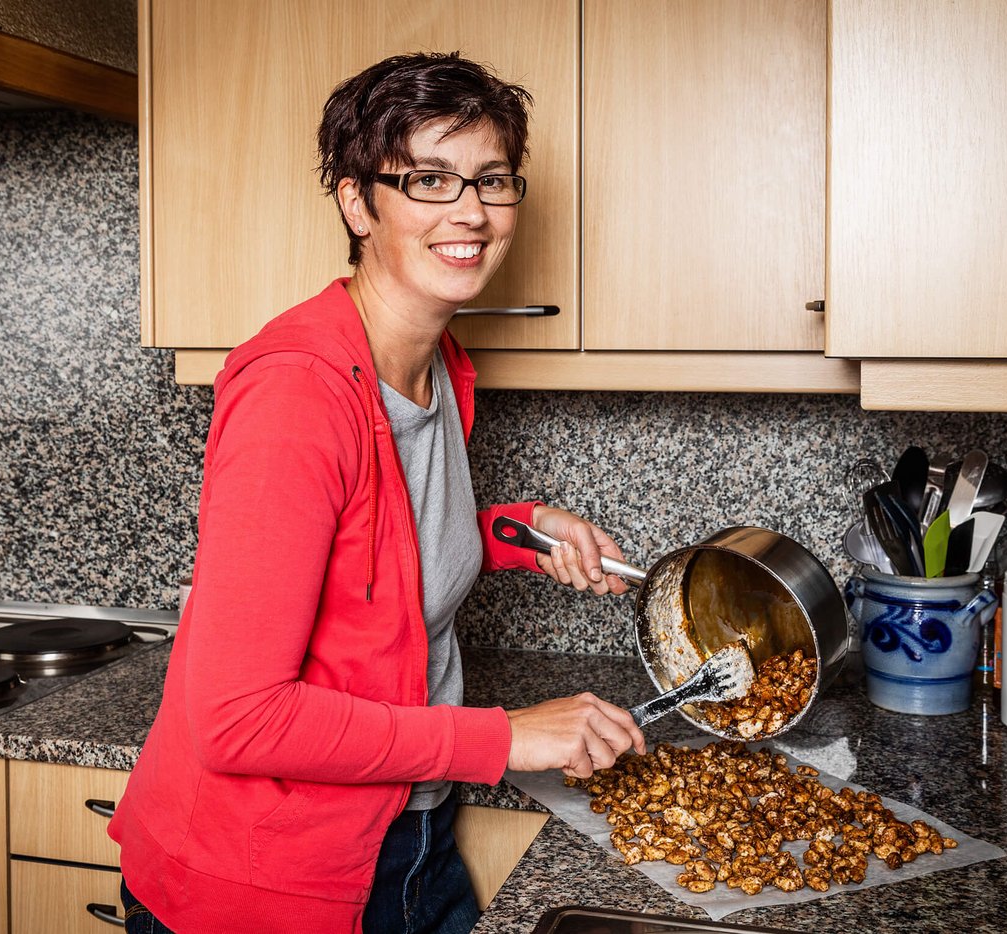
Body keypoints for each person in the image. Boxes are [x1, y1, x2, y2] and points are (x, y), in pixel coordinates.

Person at [110, 52, 646, 934]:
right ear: (358, 203)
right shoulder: (298, 392)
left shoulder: (433, 366)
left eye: (492, 179)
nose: (471, 211)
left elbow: (376, 539)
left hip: (409, 829)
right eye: (429, 180)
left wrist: (526, 531)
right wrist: (503, 736)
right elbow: (235, 717)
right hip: (269, 878)